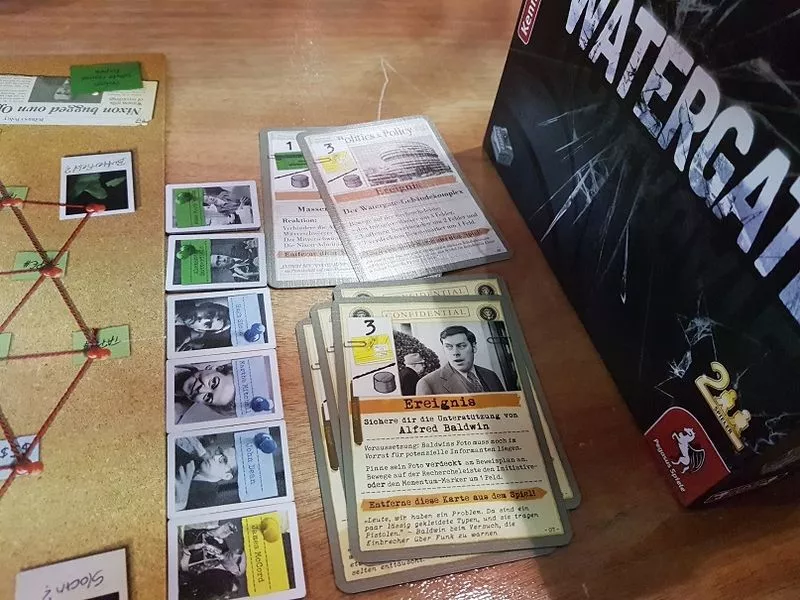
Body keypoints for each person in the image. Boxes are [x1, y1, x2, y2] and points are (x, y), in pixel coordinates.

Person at [416, 325, 505, 395]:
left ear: (474, 347)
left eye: (461, 346)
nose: (455, 353)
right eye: (449, 347)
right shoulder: (427, 383)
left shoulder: (490, 375)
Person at [174, 435, 238, 511]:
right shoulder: (195, 461)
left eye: (223, 460)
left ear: (227, 476)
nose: (215, 457)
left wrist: (180, 504)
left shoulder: (206, 499)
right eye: (219, 452)